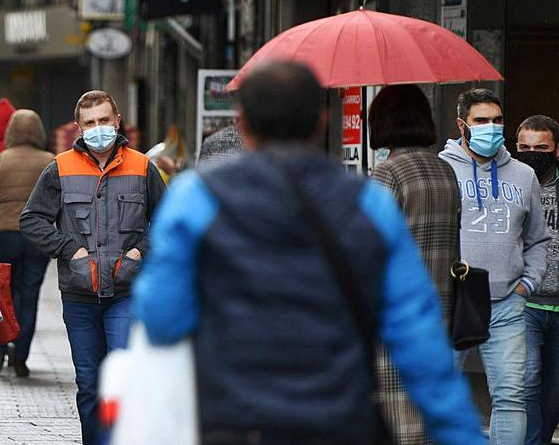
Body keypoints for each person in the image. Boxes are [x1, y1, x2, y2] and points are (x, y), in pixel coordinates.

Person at [133, 61, 483, 444]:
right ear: (321, 121)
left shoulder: (195, 198)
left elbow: (161, 317)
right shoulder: (367, 204)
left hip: (232, 420)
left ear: (242, 123)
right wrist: (461, 435)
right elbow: (418, 337)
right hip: (338, 421)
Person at [19, 90, 165, 445]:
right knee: (88, 384)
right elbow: (32, 219)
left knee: (122, 380)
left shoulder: (143, 167)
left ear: (117, 121)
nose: (98, 128)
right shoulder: (60, 168)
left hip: (127, 292)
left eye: (104, 120)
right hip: (79, 294)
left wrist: (140, 252)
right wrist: (69, 250)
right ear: (78, 128)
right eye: (90, 123)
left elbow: (167, 221)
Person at [439, 88, 550, 445]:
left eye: (497, 120)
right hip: (453, 302)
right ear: (462, 125)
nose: (491, 127)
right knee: (441, 394)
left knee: (511, 397)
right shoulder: (442, 169)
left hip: (507, 303)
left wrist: (527, 285)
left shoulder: (523, 175)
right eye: (481, 121)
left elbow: (537, 238)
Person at [367, 85, 461, 444]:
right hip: (440, 309)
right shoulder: (445, 171)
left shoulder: (388, 173)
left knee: (396, 413)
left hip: (395, 313)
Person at [0, 109, 54, 377]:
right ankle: (20, 357)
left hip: (3, 234)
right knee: (29, 295)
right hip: (38, 237)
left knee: (0, 295)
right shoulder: (51, 160)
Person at [518, 115, 559, 445]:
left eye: (541, 148)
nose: (532, 153)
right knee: (528, 380)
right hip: (525, 302)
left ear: (556, 150)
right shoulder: (508, 186)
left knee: (554, 390)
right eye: (524, 147)